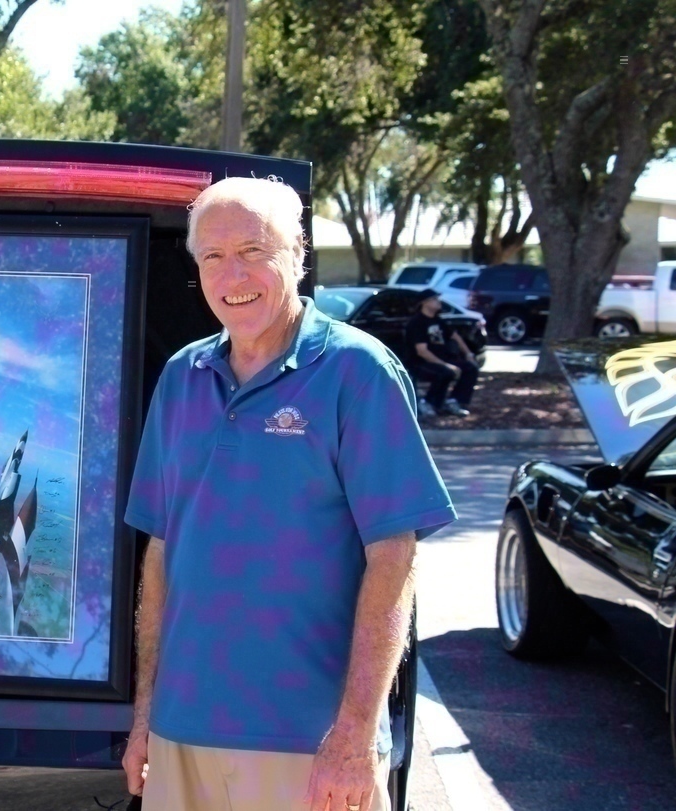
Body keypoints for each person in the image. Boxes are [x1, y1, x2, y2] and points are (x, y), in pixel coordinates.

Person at [120, 177, 456, 811]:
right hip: (180, 735)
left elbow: (394, 557)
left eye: (253, 250)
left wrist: (354, 735)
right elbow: (161, 555)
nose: (233, 274)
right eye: (214, 256)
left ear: (298, 254)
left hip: (311, 745)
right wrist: (145, 718)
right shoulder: (181, 376)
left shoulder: (358, 372)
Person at [404, 288, 479, 417]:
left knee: (470, 368)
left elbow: (455, 337)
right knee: (446, 372)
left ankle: (454, 401)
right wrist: (445, 365)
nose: (438, 302)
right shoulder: (417, 323)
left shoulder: (438, 321)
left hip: (443, 359)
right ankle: (428, 403)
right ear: (424, 302)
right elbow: (422, 351)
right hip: (422, 363)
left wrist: (468, 354)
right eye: (434, 299)